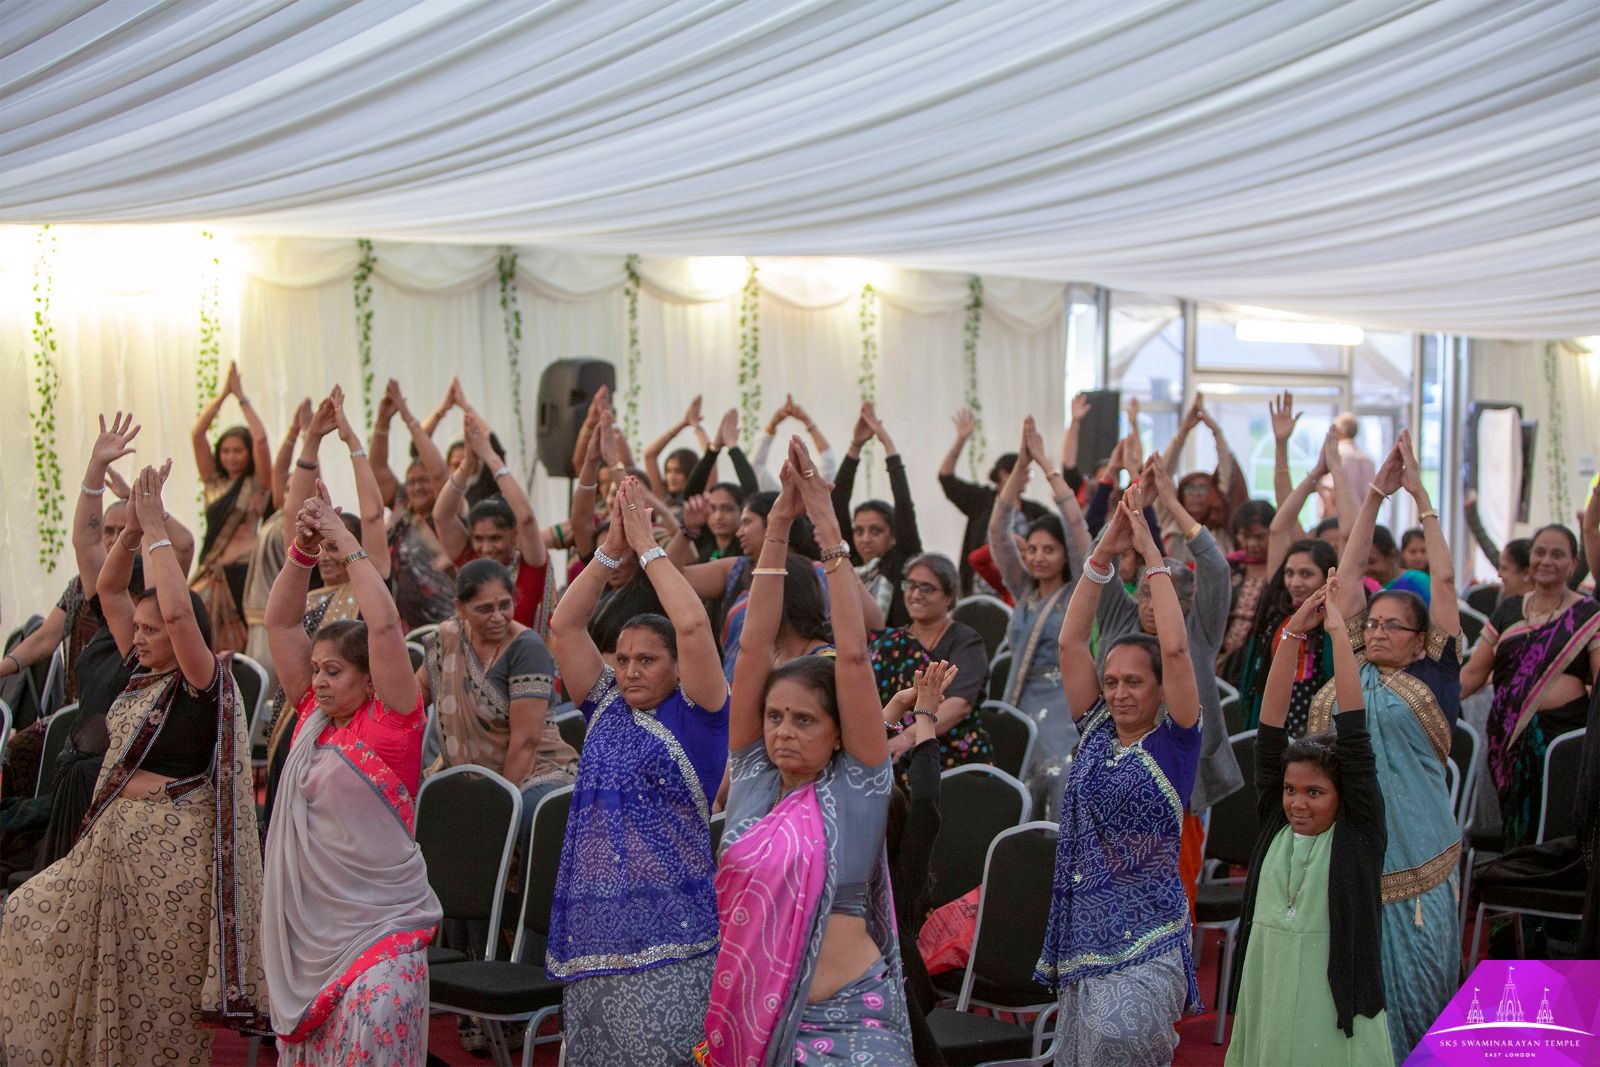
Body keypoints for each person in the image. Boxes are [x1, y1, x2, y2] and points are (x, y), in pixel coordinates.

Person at [1, 463, 269, 1065]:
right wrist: (126, 534)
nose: (139, 637)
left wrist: (154, 528)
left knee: (155, 1007)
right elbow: (111, 591)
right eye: (138, 629)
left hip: (170, 864)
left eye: (153, 630)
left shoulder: (205, 682)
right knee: (28, 916)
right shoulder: (144, 673)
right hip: (112, 850)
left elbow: (177, 614)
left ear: (184, 638)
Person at [702, 438, 914, 1065]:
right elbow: (750, 649)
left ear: (840, 732)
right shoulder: (753, 779)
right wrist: (775, 529)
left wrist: (826, 528)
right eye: (774, 717)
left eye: (803, 720)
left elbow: (851, 655)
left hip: (853, 1020)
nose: (783, 732)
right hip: (755, 1022)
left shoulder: (858, 788)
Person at [545, 478, 730, 1066]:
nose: (629, 671)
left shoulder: (698, 715)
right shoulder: (604, 706)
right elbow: (565, 627)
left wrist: (651, 550)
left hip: (672, 932)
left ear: (679, 667)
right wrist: (609, 552)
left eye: (646, 660)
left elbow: (695, 626)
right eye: (622, 659)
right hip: (598, 927)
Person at [262, 486, 440, 1064]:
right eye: (315, 670)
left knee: (375, 1023)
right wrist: (302, 550)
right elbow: (281, 620)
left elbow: (385, 627)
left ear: (369, 680)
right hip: (316, 934)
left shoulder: (393, 726)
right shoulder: (316, 721)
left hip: (383, 931)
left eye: (333, 671)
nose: (316, 682)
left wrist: (346, 541)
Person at [1036, 487, 1203, 1065]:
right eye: (1111, 682)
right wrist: (1103, 553)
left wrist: (1152, 553)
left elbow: (1178, 650)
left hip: (1148, 932)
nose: (1119, 692)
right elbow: (1070, 640)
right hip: (1087, 932)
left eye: (1134, 681)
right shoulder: (1098, 731)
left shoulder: (1174, 742)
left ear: (1159, 687)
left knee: (1120, 1044)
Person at [1312, 429, 1463, 1063]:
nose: (1375, 631)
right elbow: (1346, 579)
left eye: (1390, 625)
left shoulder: (1434, 674)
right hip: (1343, 852)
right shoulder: (1349, 669)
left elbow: (1447, 578)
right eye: (1370, 623)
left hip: (1416, 857)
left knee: (1420, 997)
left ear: (1420, 637)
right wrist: (1373, 494)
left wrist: (1422, 495)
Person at [1226, 576, 1393, 1067]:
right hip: (1269, 990)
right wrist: (1292, 636)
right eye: (1291, 790)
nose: (1298, 803)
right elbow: (1269, 727)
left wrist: (1340, 634)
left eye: (1315, 793)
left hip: (1333, 1002)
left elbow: (1355, 731)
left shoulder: (1359, 833)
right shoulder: (1276, 825)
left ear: (1345, 796)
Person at [1096, 454, 1244, 911]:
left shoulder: (1197, 633)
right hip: (1118, 781)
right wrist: (1128, 515)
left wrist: (1176, 506)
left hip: (1180, 788)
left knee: (1171, 905)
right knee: (1115, 902)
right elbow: (1095, 567)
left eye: (1160, 596)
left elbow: (1216, 571)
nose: (1148, 604)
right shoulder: (1122, 623)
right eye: (1142, 592)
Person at [1462, 523, 1600, 847]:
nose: (1546, 560)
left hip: (1564, 740)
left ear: (1573, 562)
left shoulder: (1588, 614)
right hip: (1509, 738)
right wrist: (1431, 700)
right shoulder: (1509, 609)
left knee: (1556, 823)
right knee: (1515, 824)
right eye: (1540, 552)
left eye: (1557, 554)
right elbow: (1474, 673)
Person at [418, 559, 577, 834]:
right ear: (460, 608)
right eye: (485, 609)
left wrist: (498, 806)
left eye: (505, 605)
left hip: (536, 768)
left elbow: (526, 743)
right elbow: (414, 701)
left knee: (526, 812)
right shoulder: (449, 639)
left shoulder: (527, 648)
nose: (498, 616)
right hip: (467, 772)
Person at [987, 416, 1089, 815]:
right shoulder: (1024, 589)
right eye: (1031, 549)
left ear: (1065, 554)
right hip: (1018, 700)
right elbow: (999, 528)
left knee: (1058, 774)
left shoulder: (1080, 592)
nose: (1038, 558)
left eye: (1049, 549)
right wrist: (1020, 467)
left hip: (1065, 706)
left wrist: (1048, 465)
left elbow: (1077, 525)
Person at [433, 408, 554, 636]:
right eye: (479, 538)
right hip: (477, 668)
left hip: (529, 667)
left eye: (496, 538)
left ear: (514, 535)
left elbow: (526, 518)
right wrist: (466, 467)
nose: (486, 547)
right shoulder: (471, 560)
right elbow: (442, 516)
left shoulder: (532, 563)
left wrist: (490, 457)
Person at [870, 553, 991, 773]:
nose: (916, 594)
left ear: (949, 596)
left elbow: (959, 705)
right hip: (888, 747)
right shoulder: (891, 643)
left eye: (927, 588)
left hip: (948, 754)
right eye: (911, 585)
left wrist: (907, 738)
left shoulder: (965, 641)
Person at [883, 665, 949, 1067]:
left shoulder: (895, 884)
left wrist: (923, 717)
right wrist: (895, 710)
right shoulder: (831, 859)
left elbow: (925, 803)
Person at [190, 362, 274, 652]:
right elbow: (198, 434)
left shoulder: (258, 485)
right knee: (202, 639)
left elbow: (262, 439)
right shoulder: (213, 483)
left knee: (244, 644)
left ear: (248, 453)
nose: (231, 456)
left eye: (238, 450)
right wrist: (223, 393)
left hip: (246, 571)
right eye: (225, 451)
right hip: (212, 571)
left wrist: (242, 398)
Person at [371, 379, 456, 631]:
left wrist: (408, 417)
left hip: (446, 623)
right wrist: (383, 421)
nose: (417, 487)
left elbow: (440, 472)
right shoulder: (401, 507)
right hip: (403, 625)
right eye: (412, 482)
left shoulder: (449, 511)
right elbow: (377, 469)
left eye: (424, 481)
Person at [832, 402, 923, 625]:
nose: (865, 539)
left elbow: (903, 504)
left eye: (875, 531)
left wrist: (887, 444)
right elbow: (837, 502)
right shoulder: (848, 563)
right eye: (859, 531)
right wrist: (855, 446)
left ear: (893, 536)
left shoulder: (902, 563)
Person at [940, 406, 1047, 596]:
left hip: (1021, 587)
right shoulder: (981, 500)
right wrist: (961, 439)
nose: (1028, 477)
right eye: (1024, 471)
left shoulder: (1033, 510)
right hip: (982, 587)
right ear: (1004, 474)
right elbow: (946, 477)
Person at [1159, 393, 1247, 557]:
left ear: (1214, 495)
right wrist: (1183, 431)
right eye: (1189, 488)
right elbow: (1162, 473)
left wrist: (1216, 432)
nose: (1196, 494)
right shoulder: (1169, 520)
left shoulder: (1219, 530)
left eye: (1203, 488)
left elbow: (1227, 470)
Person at [751, 392, 838, 490]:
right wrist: (772, 425)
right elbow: (755, 468)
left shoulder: (816, 493)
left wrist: (807, 421)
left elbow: (828, 460)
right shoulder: (778, 499)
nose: (795, 472)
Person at [642, 394, 709, 503]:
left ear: (691, 473)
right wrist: (683, 423)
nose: (671, 477)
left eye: (678, 471)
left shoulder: (703, 499)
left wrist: (696, 426)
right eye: (668, 471)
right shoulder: (662, 498)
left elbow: (710, 455)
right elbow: (649, 455)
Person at [1331, 411, 1377, 497]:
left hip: (1341, 509)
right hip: (1366, 510)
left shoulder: (1335, 456)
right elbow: (1373, 494)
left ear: (1339, 431)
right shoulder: (1368, 459)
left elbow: (1329, 492)